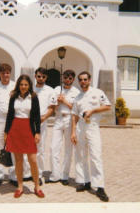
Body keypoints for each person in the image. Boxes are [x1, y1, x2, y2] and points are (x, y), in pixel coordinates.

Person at [71, 71, 111, 202]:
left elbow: (107, 106)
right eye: (81, 80)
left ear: (89, 80)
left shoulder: (97, 93)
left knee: (95, 156)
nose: (83, 82)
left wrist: (93, 111)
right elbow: (74, 116)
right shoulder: (77, 97)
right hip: (80, 127)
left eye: (85, 80)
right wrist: (73, 132)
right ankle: (84, 181)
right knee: (81, 156)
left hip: (93, 127)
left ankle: (99, 186)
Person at [4, 74, 44, 198]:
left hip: (28, 129)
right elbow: (10, 115)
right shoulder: (13, 96)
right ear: (18, 85)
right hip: (15, 129)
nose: (23, 87)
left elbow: (37, 116)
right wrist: (6, 132)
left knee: (32, 160)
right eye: (21, 84)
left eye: (26, 85)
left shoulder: (33, 97)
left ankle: (37, 186)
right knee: (19, 160)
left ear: (29, 86)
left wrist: (37, 132)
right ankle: (20, 186)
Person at [46, 69, 80, 185]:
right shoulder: (56, 89)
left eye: (70, 78)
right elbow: (52, 106)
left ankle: (65, 175)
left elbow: (76, 109)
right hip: (58, 119)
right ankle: (55, 175)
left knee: (68, 149)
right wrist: (58, 102)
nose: (67, 80)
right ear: (63, 78)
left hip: (70, 119)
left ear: (73, 79)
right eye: (66, 77)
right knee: (53, 147)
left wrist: (64, 101)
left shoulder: (76, 92)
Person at [34, 67, 56, 185]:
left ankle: (39, 173)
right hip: (28, 121)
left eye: (43, 77)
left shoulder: (50, 90)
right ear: (35, 76)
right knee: (27, 147)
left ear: (46, 77)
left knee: (40, 149)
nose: (41, 78)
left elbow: (52, 108)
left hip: (42, 121)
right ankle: (28, 173)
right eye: (39, 76)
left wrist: (44, 118)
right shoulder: (30, 88)